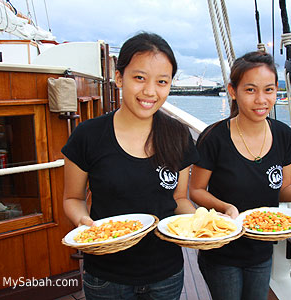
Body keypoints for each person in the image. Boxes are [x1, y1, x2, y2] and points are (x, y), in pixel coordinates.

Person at [189, 51, 291, 300]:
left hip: (261, 251)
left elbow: (283, 189)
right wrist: (226, 207)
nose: (261, 100)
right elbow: (196, 190)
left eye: (269, 90)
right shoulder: (214, 138)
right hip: (222, 249)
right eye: (250, 90)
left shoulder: (283, 135)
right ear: (233, 91)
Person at [62, 32, 199, 300]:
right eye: (139, 78)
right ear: (118, 77)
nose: (150, 91)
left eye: (162, 82)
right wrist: (84, 222)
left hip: (166, 273)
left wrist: (198, 222)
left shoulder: (178, 135)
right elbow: (72, 197)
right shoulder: (88, 136)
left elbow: (179, 198)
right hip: (106, 275)